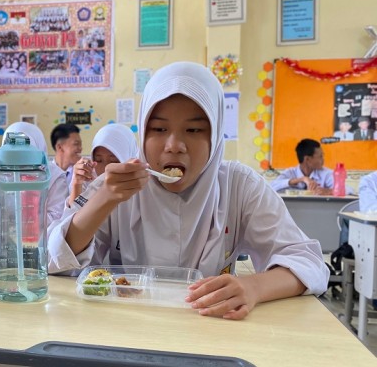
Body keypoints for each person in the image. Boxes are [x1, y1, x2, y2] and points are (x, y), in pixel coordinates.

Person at [47, 62, 328, 320]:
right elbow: (54, 261)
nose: (174, 145)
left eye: (193, 130)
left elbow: (308, 263)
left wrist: (252, 286)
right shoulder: (116, 184)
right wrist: (104, 201)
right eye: (158, 128)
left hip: (212, 327)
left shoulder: (239, 185)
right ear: (143, 132)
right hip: (129, 325)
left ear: (216, 136)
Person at [2, 122, 69, 224]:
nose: (19, 160)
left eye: (26, 153)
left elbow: (57, 218)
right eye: (13, 152)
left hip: (43, 238)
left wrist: (19, 223)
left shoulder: (54, 176)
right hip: (1, 238)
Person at [69, 123, 139, 205]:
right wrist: (77, 183)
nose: (106, 169)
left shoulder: (141, 186)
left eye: (114, 161)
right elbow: (72, 214)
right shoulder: (88, 179)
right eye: (98, 160)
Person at [269, 138, 334, 195]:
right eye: (320, 156)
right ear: (307, 159)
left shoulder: (326, 173)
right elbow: (271, 187)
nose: (323, 159)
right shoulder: (291, 172)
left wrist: (329, 191)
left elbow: (343, 189)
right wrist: (302, 179)